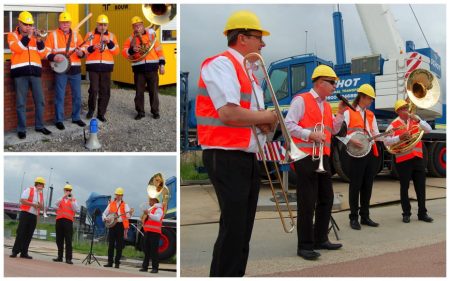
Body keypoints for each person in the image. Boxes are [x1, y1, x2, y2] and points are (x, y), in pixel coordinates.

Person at [195, 10, 277, 277]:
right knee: (233, 231)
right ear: (242, 38)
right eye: (258, 38)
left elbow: (258, 122)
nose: (262, 44)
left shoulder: (251, 73)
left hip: (246, 157)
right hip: (226, 155)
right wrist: (265, 117)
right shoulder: (221, 64)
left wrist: (267, 122)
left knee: (242, 232)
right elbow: (229, 114)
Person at [285, 65, 346, 260]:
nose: (334, 87)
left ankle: (321, 238)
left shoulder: (327, 106)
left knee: (326, 198)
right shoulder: (301, 100)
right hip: (305, 157)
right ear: (320, 82)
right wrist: (309, 134)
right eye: (332, 83)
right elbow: (288, 125)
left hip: (322, 158)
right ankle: (304, 245)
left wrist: (341, 113)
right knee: (307, 202)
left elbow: (333, 131)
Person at [338, 84, 381, 230]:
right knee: (355, 185)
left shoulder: (370, 115)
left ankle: (365, 216)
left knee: (367, 185)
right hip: (355, 153)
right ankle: (353, 217)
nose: (371, 102)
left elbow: (375, 133)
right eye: (370, 98)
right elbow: (340, 133)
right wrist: (351, 140)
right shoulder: (349, 111)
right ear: (362, 96)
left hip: (370, 153)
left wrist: (386, 137)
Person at [384, 99, 433, 223]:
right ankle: (406, 213)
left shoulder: (415, 120)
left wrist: (418, 119)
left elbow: (428, 130)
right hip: (403, 159)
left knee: (421, 187)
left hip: (417, 158)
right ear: (398, 111)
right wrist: (399, 137)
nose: (405, 111)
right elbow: (386, 141)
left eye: (406, 108)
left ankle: (422, 213)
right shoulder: (393, 125)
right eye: (402, 109)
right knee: (404, 187)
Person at [7, 11, 52, 139]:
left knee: (40, 101)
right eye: (26, 24)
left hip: (35, 72)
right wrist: (28, 36)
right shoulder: (12, 36)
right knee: (21, 103)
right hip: (20, 73)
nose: (28, 26)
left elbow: (42, 53)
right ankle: (21, 129)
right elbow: (17, 48)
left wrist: (38, 39)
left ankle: (40, 126)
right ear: (19, 23)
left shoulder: (34, 37)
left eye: (30, 24)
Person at [46, 11, 86, 130]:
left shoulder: (76, 35)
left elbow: (84, 49)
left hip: (75, 69)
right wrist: (53, 57)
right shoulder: (52, 35)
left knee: (77, 95)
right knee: (60, 95)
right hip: (61, 70)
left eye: (67, 22)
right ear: (59, 22)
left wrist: (81, 52)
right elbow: (46, 51)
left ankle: (76, 117)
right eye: (63, 22)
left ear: (70, 23)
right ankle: (59, 120)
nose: (65, 24)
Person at [122, 16, 165, 120]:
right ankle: (140, 112)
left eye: (139, 25)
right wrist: (132, 50)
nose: (137, 28)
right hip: (138, 69)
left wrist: (162, 64)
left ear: (142, 25)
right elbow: (124, 52)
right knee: (139, 92)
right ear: (133, 27)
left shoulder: (151, 34)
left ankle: (155, 111)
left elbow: (159, 50)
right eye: (135, 26)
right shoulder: (130, 38)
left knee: (153, 91)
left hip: (152, 68)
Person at [85, 14, 119, 122]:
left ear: (107, 25)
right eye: (100, 25)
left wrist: (109, 42)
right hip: (93, 66)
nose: (102, 27)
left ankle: (101, 113)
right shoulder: (90, 34)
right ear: (97, 24)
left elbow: (116, 52)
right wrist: (93, 47)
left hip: (106, 67)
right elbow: (84, 50)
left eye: (105, 25)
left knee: (105, 91)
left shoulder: (112, 36)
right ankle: (91, 110)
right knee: (94, 90)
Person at [10, 176, 46, 259]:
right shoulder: (29, 190)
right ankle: (15, 251)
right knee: (21, 232)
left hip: (33, 216)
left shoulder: (41, 195)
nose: (43, 187)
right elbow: (22, 200)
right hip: (25, 214)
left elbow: (40, 207)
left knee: (29, 234)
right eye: (42, 185)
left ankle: (24, 252)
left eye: (43, 185)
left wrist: (40, 207)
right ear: (38, 184)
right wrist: (33, 204)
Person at [102, 187, 132, 268]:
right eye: (117, 195)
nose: (118, 196)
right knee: (111, 244)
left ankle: (117, 263)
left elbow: (128, 216)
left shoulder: (125, 205)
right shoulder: (111, 204)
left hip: (120, 225)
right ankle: (110, 262)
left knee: (119, 245)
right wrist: (105, 218)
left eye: (119, 195)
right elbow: (104, 213)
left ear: (122, 196)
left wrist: (126, 215)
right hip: (112, 225)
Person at [53, 184, 79, 264]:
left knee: (68, 240)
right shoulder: (60, 199)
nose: (68, 191)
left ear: (71, 191)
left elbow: (76, 208)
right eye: (66, 190)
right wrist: (63, 197)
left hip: (68, 221)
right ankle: (59, 257)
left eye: (69, 190)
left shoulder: (73, 200)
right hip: (59, 220)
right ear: (64, 190)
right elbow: (55, 204)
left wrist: (71, 200)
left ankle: (68, 258)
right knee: (59, 240)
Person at [139, 196, 164, 274]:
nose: (149, 202)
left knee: (154, 251)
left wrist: (148, 214)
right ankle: (145, 267)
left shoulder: (159, 209)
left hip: (155, 233)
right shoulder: (152, 209)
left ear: (154, 201)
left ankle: (155, 268)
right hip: (148, 232)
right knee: (147, 250)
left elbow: (157, 218)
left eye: (150, 200)